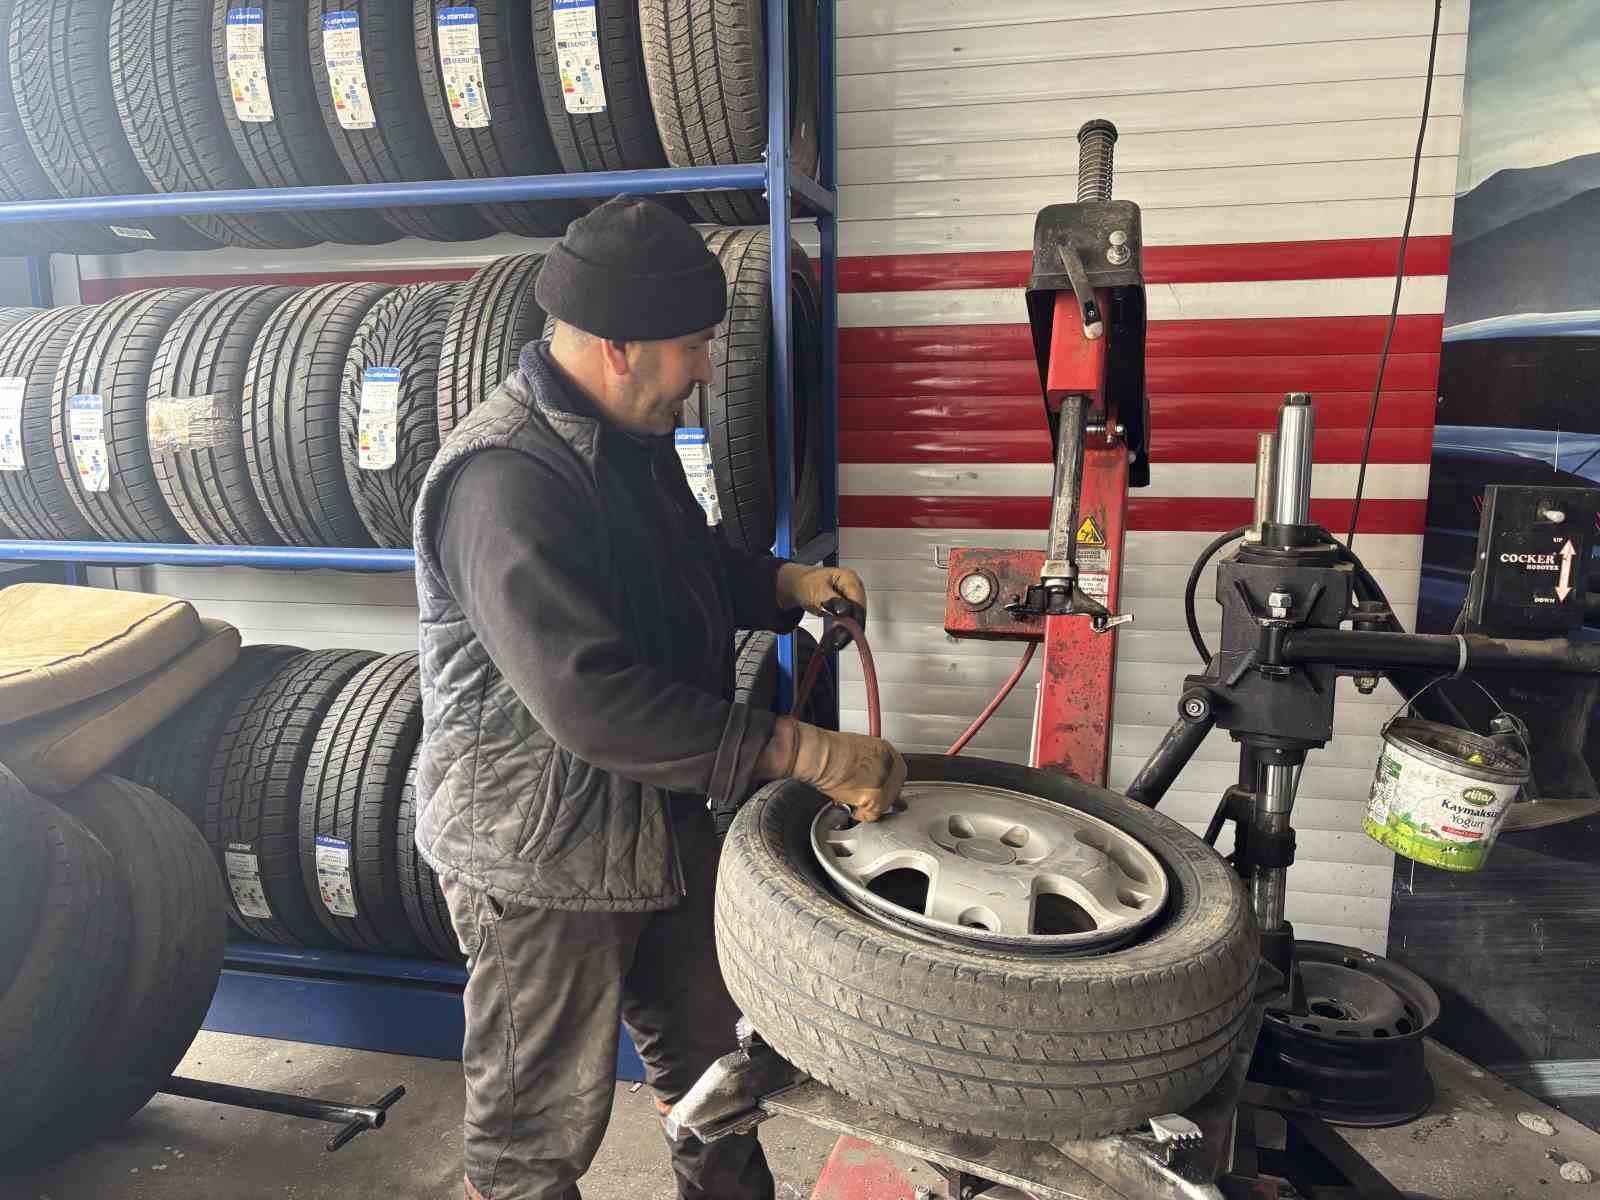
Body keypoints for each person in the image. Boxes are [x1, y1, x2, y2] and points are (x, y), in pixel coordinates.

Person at [411, 195, 907, 1200]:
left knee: (719, 1080)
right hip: (542, 858)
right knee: (532, 1134)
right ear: (616, 347)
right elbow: (589, 701)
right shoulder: (504, 480)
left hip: (657, 825)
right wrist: (811, 753)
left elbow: (681, 566)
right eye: (691, 347)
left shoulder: (627, 439)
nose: (706, 371)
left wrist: (778, 583)